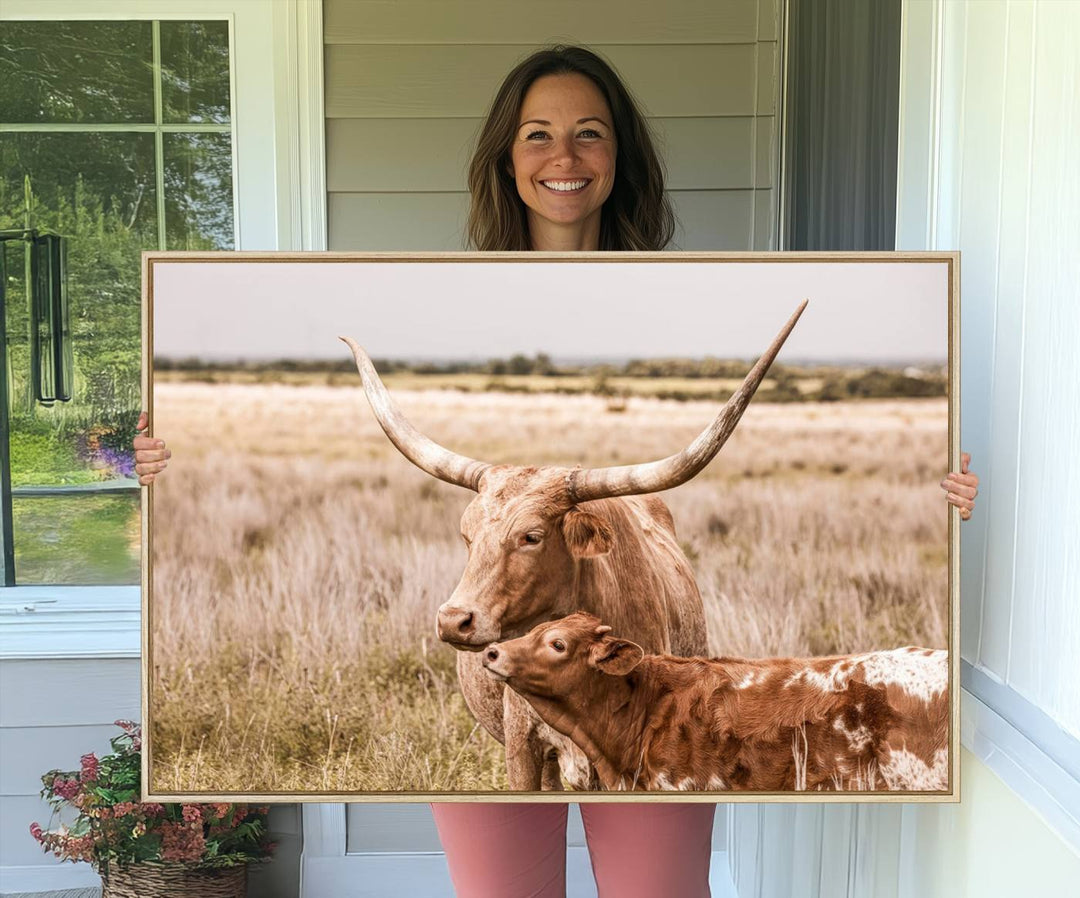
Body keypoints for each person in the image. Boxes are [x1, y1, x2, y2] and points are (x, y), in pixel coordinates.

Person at [134, 45, 979, 898]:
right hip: (512, 633)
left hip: (647, 689)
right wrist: (162, 466)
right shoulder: (439, 301)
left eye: (589, 134)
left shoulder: (694, 296)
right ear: (507, 157)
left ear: (620, 157)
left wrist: (939, 488)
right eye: (537, 135)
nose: (563, 157)